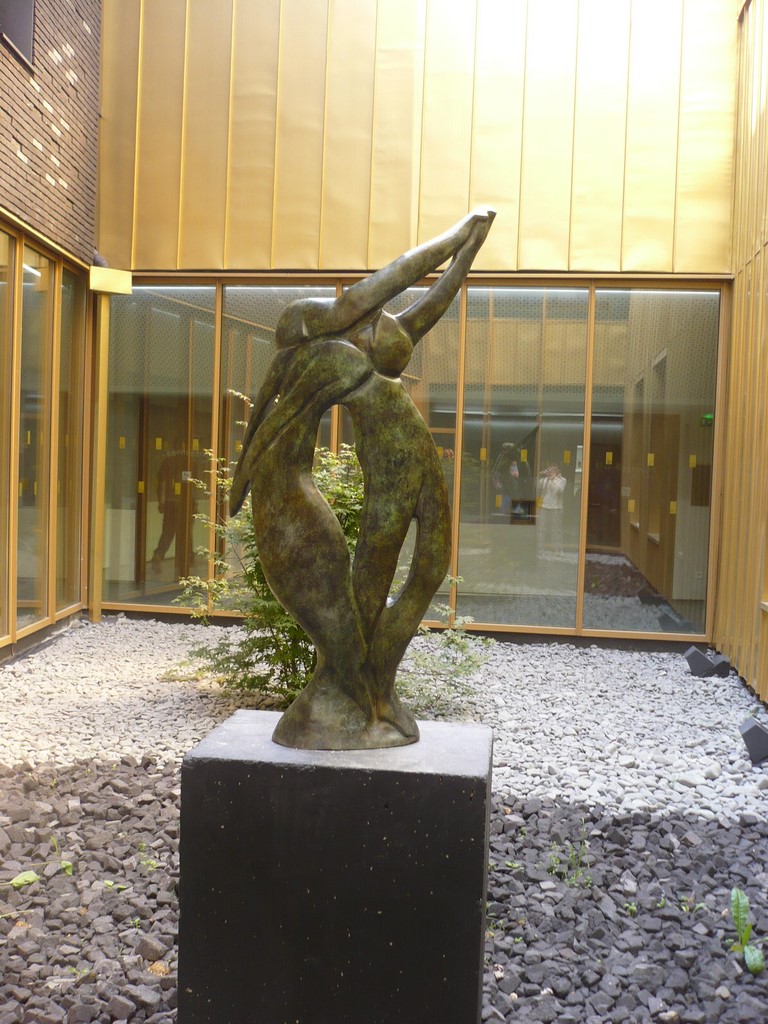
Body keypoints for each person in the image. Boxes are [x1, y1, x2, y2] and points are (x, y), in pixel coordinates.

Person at [230, 208, 495, 749]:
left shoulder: (374, 339)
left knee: (429, 569)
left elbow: (429, 305)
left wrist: (468, 251)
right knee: (358, 601)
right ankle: (352, 703)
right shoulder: (317, 339)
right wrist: (458, 233)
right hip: (339, 490)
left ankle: (377, 693)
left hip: (407, 468)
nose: (365, 308)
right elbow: (397, 274)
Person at [536, 464, 566, 559]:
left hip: (556, 508)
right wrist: (541, 474)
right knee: (542, 529)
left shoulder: (562, 480)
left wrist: (553, 480)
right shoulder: (545, 480)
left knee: (556, 530)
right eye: (549, 470)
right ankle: (540, 549)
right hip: (544, 507)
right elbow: (538, 485)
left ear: (556, 472)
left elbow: (558, 490)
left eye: (552, 471)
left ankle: (558, 550)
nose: (549, 472)